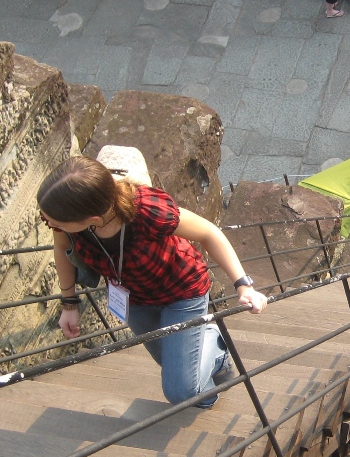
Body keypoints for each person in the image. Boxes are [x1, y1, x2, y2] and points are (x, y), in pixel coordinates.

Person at [37, 157, 268, 409]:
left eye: (54, 222)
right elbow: (62, 251)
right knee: (168, 364)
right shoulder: (65, 223)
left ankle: (212, 372)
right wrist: (69, 303)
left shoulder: (147, 211)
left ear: (92, 219)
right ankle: (210, 360)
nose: (50, 225)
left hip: (181, 292)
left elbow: (208, 232)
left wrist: (243, 285)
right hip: (135, 300)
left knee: (182, 390)